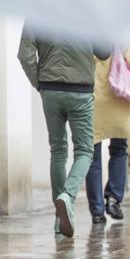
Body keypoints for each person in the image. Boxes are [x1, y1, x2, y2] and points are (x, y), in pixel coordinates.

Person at [18, 23, 110, 238]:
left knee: (58, 151)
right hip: (80, 90)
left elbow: (25, 54)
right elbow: (104, 52)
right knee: (85, 151)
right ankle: (68, 196)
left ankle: (60, 220)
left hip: (50, 88)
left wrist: (38, 82)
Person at [85, 45, 130, 224]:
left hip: (91, 99)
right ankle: (113, 199)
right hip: (117, 97)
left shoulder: (82, 32)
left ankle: (97, 211)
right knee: (119, 150)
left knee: (92, 157)